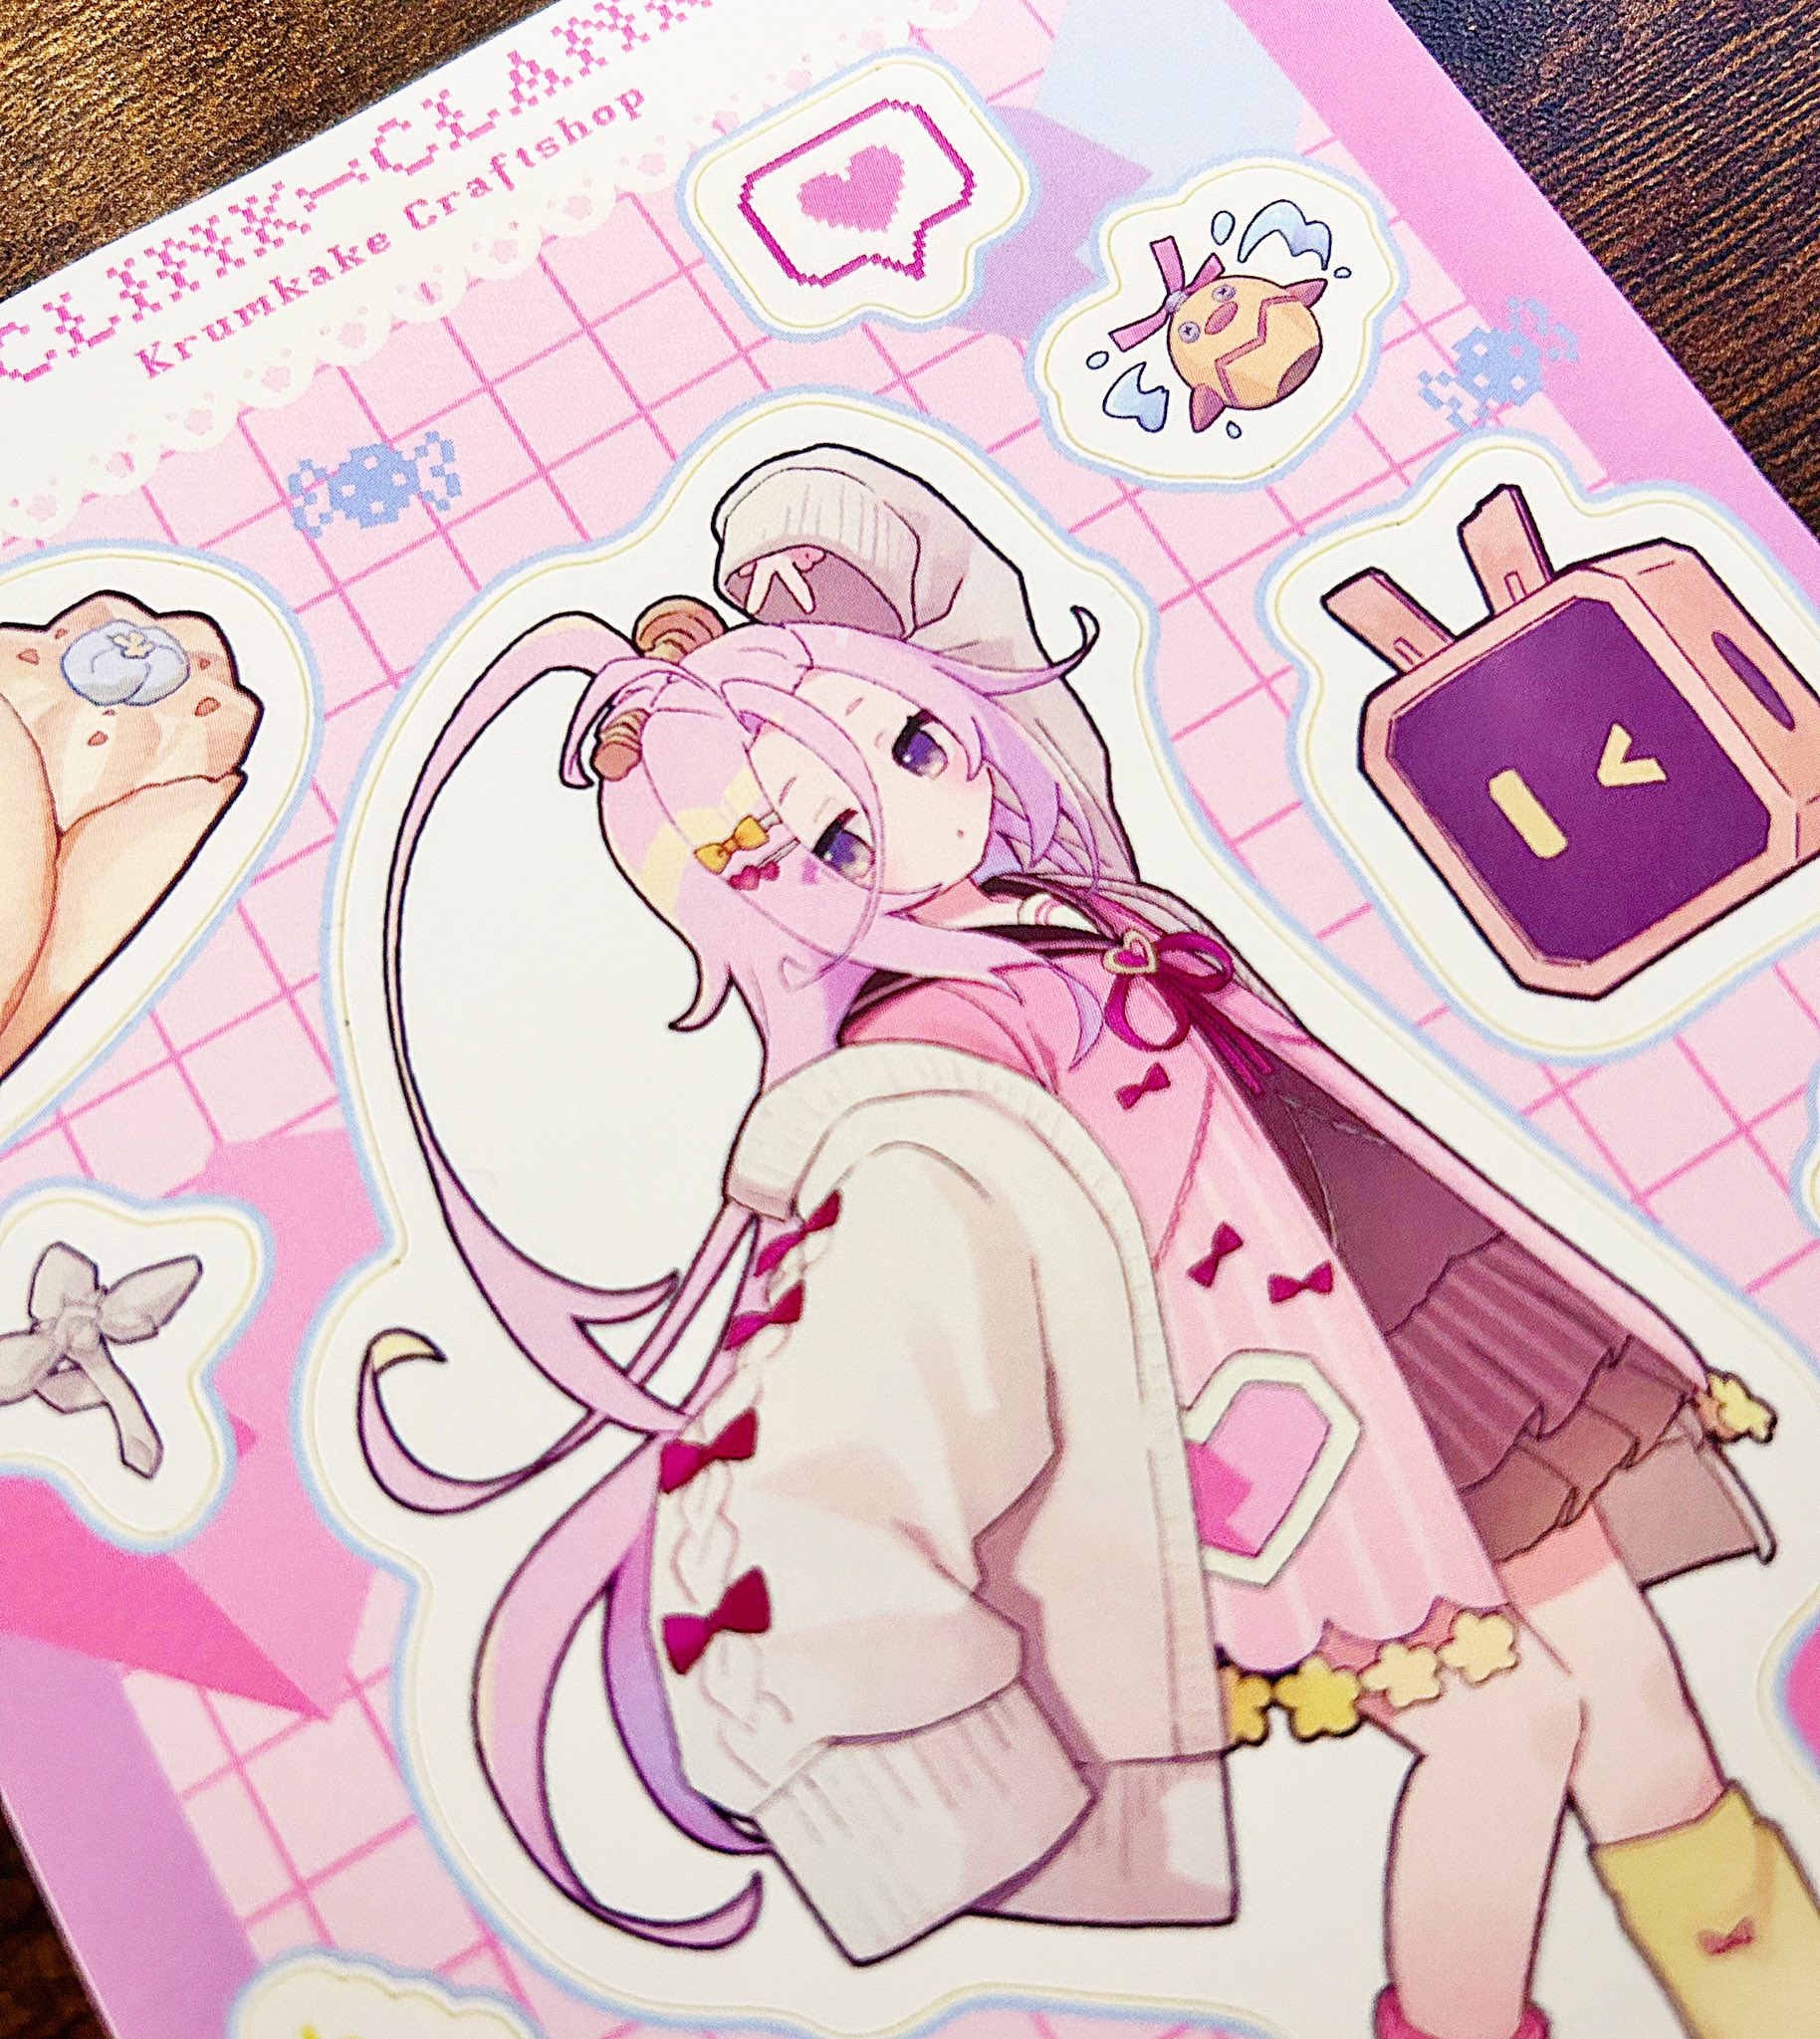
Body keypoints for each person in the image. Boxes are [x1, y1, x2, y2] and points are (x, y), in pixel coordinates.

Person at [360, 441, 1820, 2039]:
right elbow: (897, 1282)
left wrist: (793, 536)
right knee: (1511, 1723)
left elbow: (966, 606)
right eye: (836, 843)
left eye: (917, 741)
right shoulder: (928, 1044)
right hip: (1289, 1431)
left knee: (1639, 1705)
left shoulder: (1069, 888)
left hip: (1432, 1325)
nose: (931, 809)